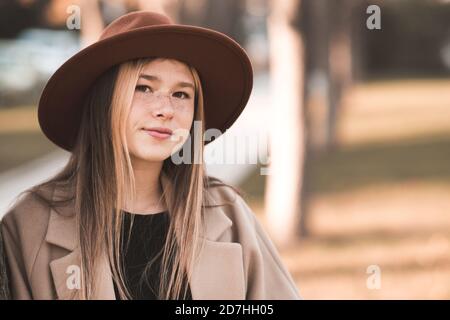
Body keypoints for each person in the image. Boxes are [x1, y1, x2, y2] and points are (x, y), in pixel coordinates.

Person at [1, 11, 301, 300]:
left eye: (181, 94)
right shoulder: (29, 225)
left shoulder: (227, 213)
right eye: (144, 88)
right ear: (103, 103)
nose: (165, 109)